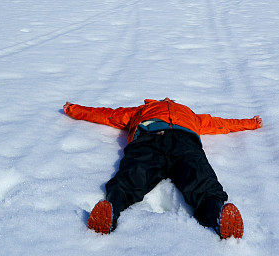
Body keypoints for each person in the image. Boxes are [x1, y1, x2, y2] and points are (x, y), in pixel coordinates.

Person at [63, 97, 262, 239]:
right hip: (149, 140)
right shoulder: (140, 111)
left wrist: (251, 123)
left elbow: (220, 124)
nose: (168, 101)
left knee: (201, 179)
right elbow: (107, 115)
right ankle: (110, 211)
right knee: (132, 176)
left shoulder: (189, 113)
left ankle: (218, 217)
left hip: (185, 143)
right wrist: (74, 109)